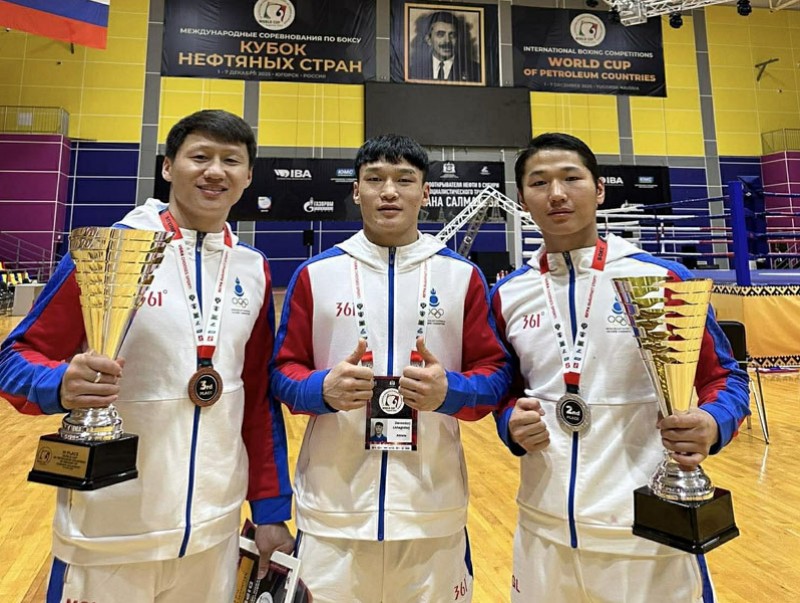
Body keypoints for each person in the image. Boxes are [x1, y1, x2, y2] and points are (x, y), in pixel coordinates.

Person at [0, 109, 293, 602]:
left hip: (213, 531)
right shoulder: (111, 250)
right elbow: (14, 359)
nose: (215, 171)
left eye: (231, 160)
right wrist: (59, 383)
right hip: (109, 531)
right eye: (200, 156)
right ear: (168, 167)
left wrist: (268, 509)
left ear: (247, 176)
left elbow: (258, 398)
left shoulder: (253, 268)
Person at [490, 132, 750, 602]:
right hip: (543, 531)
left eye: (571, 178)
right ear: (523, 200)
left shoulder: (660, 278)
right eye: (539, 182)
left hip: (646, 533)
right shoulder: (509, 293)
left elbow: (724, 377)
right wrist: (509, 419)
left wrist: (713, 421)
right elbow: (504, 386)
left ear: (600, 189)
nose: (556, 194)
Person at [271, 133, 511, 602]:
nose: (388, 191)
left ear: (425, 192)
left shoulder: (462, 276)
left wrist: (452, 392)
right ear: (356, 190)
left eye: (404, 180)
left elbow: (496, 374)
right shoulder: (316, 274)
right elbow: (282, 371)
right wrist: (321, 389)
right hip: (333, 514)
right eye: (374, 179)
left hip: (432, 512)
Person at [409, 10, 481, 83]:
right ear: (429, 40)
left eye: (452, 35)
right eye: (440, 34)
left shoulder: (476, 70)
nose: (447, 41)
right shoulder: (414, 71)